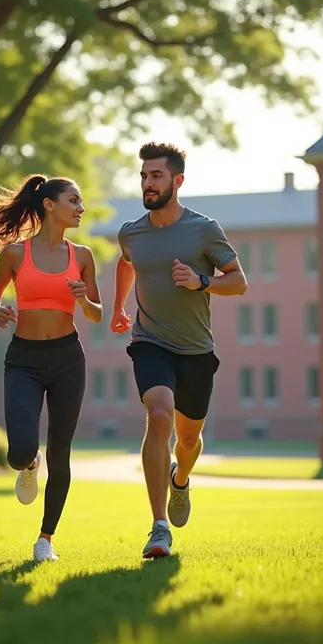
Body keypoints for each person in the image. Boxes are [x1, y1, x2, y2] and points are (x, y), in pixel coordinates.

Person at [110, 142, 247, 559]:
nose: (147, 183)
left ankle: (181, 479)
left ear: (177, 180)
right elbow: (126, 262)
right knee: (159, 414)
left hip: (196, 351)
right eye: (144, 176)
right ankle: (157, 528)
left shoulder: (204, 229)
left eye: (156, 176)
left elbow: (238, 281)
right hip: (150, 343)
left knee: (188, 441)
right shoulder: (132, 231)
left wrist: (201, 282)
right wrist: (118, 307)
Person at [0, 174, 102, 562]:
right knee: (18, 451)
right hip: (23, 360)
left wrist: (82, 299)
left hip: (67, 360)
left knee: (61, 454)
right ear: (49, 204)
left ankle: (45, 539)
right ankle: (29, 464)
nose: (80, 208)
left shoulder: (82, 257)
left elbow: (96, 314)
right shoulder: (14, 254)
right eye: (73, 200)